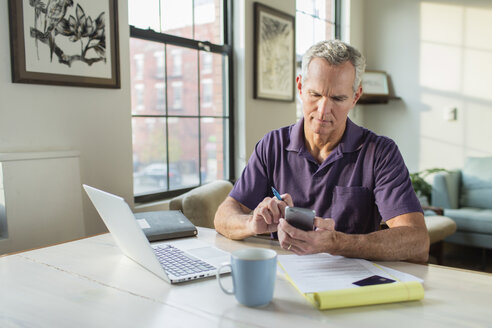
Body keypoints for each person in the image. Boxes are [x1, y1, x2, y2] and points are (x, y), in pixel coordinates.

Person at [214, 40, 429, 263]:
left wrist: (335, 243)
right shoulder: (272, 145)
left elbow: (417, 242)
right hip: (283, 275)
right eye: (315, 94)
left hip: (352, 283)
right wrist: (251, 224)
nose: (323, 110)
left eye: (338, 98)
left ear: (355, 97)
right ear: (300, 87)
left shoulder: (380, 153)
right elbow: (223, 216)